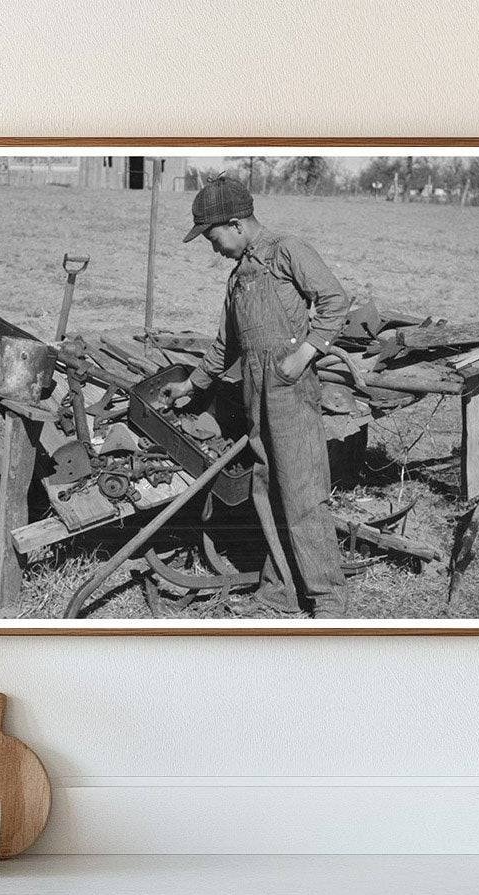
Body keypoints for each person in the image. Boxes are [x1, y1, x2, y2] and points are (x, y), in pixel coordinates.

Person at [162, 173, 349, 618]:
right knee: (268, 490)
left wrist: (303, 354)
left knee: (303, 493)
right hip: (254, 392)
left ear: (237, 223)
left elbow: (335, 300)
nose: (212, 247)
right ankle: (279, 590)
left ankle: (329, 601)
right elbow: (225, 346)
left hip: (288, 387)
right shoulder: (237, 278)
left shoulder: (287, 250)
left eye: (212, 236)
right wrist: (193, 384)